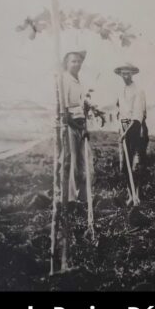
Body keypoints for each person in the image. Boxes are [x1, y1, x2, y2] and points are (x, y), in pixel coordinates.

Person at [59, 50, 94, 203]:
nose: (77, 64)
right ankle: (71, 200)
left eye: (79, 61)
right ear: (67, 63)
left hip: (80, 123)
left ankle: (84, 198)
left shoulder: (79, 81)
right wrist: (77, 127)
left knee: (86, 162)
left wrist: (84, 127)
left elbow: (83, 108)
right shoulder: (64, 80)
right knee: (71, 162)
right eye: (73, 61)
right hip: (71, 124)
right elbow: (65, 112)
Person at [115, 63, 147, 205]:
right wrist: (121, 129)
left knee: (136, 164)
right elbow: (120, 111)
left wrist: (126, 133)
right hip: (123, 129)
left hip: (136, 129)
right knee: (124, 165)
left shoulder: (139, 90)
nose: (126, 76)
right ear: (120, 74)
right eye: (123, 73)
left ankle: (137, 194)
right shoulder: (120, 91)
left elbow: (138, 115)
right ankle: (130, 194)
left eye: (128, 73)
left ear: (132, 74)